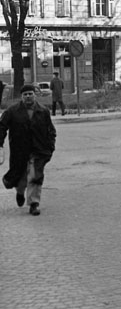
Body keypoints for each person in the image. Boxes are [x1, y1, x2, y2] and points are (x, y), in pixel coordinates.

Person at [0, 84, 56, 216]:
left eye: (30, 94)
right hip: (19, 150)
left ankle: (34, 203)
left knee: (35, 176)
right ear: (21, 97)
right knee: (21, 177)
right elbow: (1, 127)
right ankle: (20, 192)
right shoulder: (12, 111)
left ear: (35, 95)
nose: (28, 96)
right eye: (25, 94)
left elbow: (51, 130)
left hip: (38, 150)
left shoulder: (43, 111)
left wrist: (50, 146)